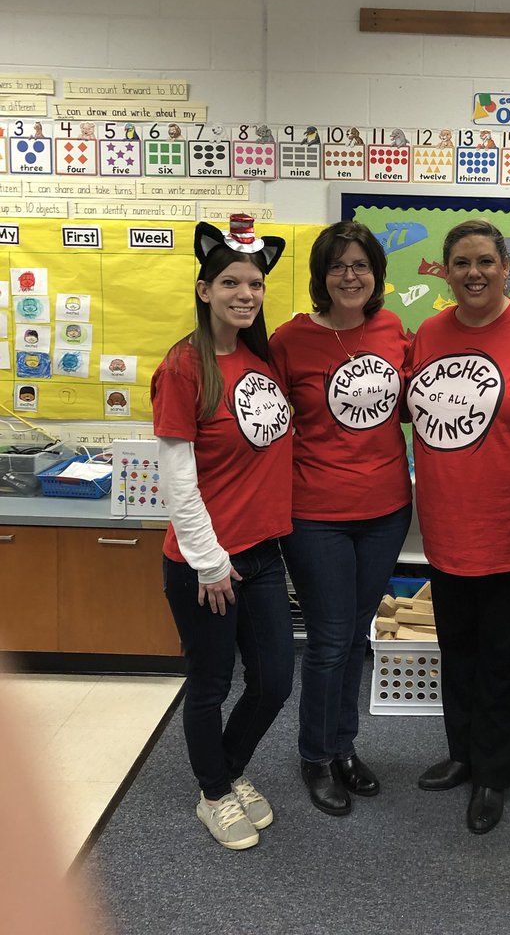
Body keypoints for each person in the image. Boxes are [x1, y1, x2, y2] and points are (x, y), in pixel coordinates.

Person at [408, 219, 510, 834]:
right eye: (461, 263)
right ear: (446, 272)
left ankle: (495, 774)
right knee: (458, 652)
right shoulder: (429, 333)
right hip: (446, 527)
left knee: (507, 659)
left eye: (485, 261)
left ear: (507, 267)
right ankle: (463, 753)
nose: (473, 273)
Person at [152, 214, 294, 850]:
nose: (245, 293)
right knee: (211, 684)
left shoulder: (260, 359)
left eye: (255, 283)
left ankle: (228, 770)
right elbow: (178, 478)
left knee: (274, 681)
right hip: (206, 563)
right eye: (231, 282)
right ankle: (214, 793)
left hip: (262, 554)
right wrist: (209, 561)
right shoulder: (185, 365)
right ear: (204, 289)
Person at [269, 221, 412, 817]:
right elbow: (264, 424)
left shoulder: (393, 330)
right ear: (320, 276)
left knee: (356, 635)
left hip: (386, 510)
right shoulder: (289, 340)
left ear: (376, 273)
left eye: (360, 265)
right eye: (337, 266)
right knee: (329, 639)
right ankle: (316, 755)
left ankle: (344, 746)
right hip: (316, 513)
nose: (350, 276)